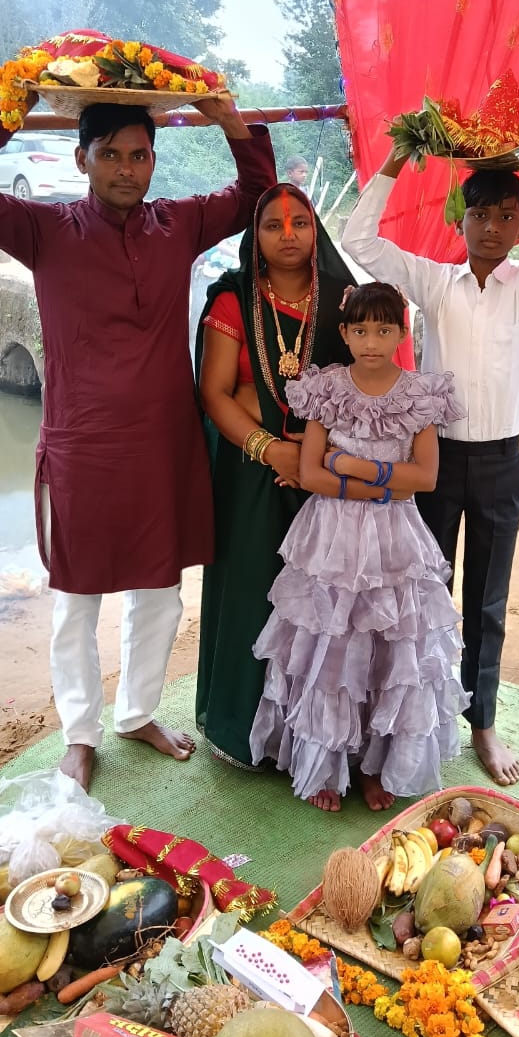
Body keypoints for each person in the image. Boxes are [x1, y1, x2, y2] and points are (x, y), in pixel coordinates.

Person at [0, 91, 276, 791]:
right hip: (81, 445)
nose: (126, 169)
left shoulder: (177, 224)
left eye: (139, 155)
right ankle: (80, 734)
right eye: (110, 154)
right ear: (80, 158)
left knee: (161, 594)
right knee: (76, 601)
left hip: (164, 444)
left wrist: (229, 121)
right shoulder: (45, 229)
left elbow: (255, 198)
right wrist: (10, 103)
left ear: (154, 160)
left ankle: (137, 712)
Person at [341, 118, 519, 786]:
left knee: (487, 602)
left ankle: (482, 722)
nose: (492, 228)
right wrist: (398, 157)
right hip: (433, 464)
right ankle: (416, 722)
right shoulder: (433, 283)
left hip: (500, 464)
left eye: (506, 216)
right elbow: (358, 239)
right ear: (460, 219)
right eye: (480, 215)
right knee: (425, 594)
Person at [248, 281, 468, 811]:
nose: (372, 341)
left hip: (395, 540)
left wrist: (351, 466)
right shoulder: (325, 389)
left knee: (391, 649)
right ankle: (327, 766)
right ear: (345, 333)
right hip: (332, 538)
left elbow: (426, 478)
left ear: (401, 334)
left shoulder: (419, 395)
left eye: (384, 330)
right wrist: (377, 486)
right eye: (361, 330)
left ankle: (375, 767)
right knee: (333, 646)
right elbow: (310, 474)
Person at [195, 182, 355, 768]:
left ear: (316, 231)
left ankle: (318, 739)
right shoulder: (232, 300)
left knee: (322, 604)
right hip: (253, 475)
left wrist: (316, 458)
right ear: (255, 237)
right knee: (252, 595)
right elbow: (215, 392)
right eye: (273, 225)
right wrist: (273, 451)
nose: (288, 235)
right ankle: (245, 733)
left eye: (300, 223)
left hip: (328, 477)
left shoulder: (345, 301)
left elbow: (369, 384)